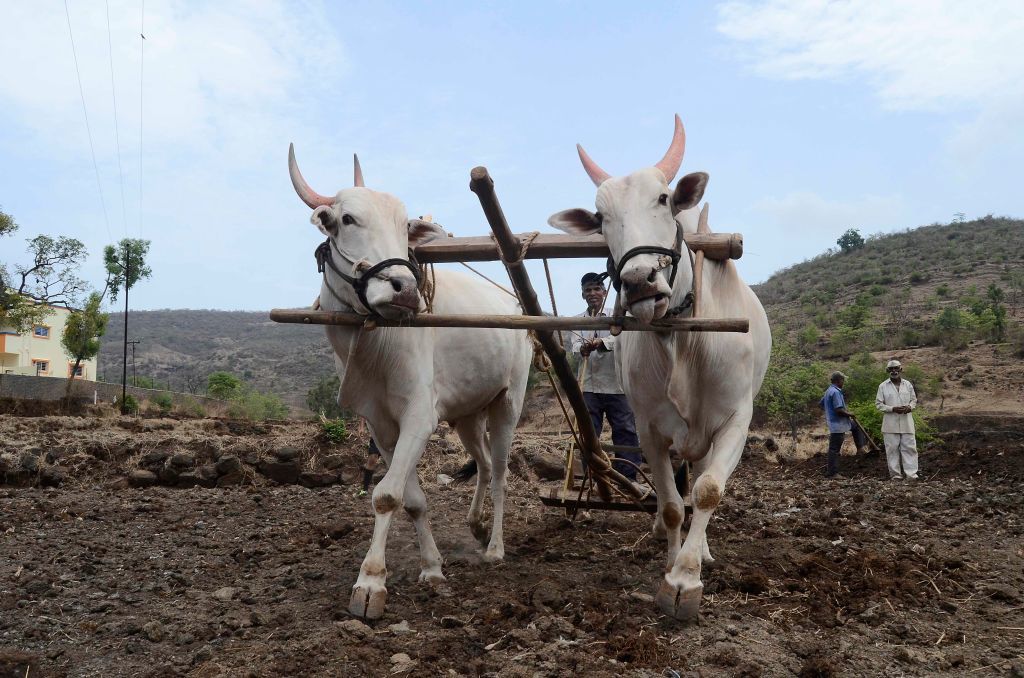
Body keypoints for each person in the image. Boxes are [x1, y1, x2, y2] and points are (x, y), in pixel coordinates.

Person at [571, 272, 644, 481]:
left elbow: (624, 340)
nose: (592, 293)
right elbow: (574, 346)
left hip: (616, 386)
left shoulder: (618, 316)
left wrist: (602, 343)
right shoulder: (577, 321)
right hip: (588, 387)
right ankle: (593, 477)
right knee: (589, 433)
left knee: (625, 430)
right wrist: (582, 348)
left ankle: (628, 477)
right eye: (588, 290)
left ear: (604, 291)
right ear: (583, 295)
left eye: (596, 289)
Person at [875, 359, 919, 480]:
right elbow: (879, 404)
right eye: (891, 369)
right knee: (892, 450)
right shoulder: (883, 386)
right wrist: (892, 408)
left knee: (910, 448)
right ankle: (896, 476)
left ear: (901, 369)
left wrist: (910, 407)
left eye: (896, 368)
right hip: (890, 424)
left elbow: (914, 400)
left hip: (907, 422)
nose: (894, 371)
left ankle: (911, 475)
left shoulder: (908, 384)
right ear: (887, 371)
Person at [819, 371, 868, 478]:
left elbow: (821, 404)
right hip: (838, 425)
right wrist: (850, 413)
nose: (843, 382)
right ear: (838, 381)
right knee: (834, 449)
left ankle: (860, 448)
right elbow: (839, 410)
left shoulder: (829, 391)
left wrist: (829, 411)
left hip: (839, 422)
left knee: (856, 426)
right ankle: (832, 473)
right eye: (842, 380)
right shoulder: (835, 392)